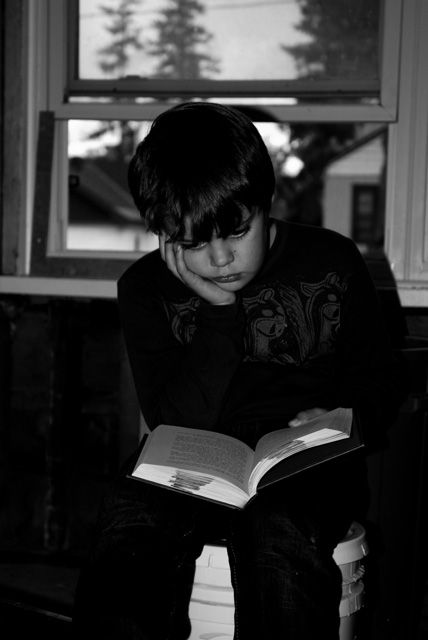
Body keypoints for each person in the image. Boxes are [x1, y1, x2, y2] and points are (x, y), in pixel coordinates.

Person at [72, 101, 405, 639]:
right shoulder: (144, 288)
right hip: (197, 450)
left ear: (265, 201)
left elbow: (380, 376)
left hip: (306, 458)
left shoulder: (333, 260)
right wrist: (219, 313)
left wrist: (343, 416)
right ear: (161, 233)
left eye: (236, 231)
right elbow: (173, 419)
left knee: (279, 531)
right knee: (129, 526)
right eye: (193, 243)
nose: (220, 258)